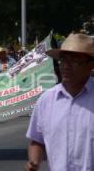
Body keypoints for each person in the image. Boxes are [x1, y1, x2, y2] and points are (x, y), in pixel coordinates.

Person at [25, 33, 94, 171]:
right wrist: (34, 161)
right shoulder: (47, 100)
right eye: (63, 60)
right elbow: (37, 141)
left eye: (74, 61)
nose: (66, 66)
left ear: (90, 65)